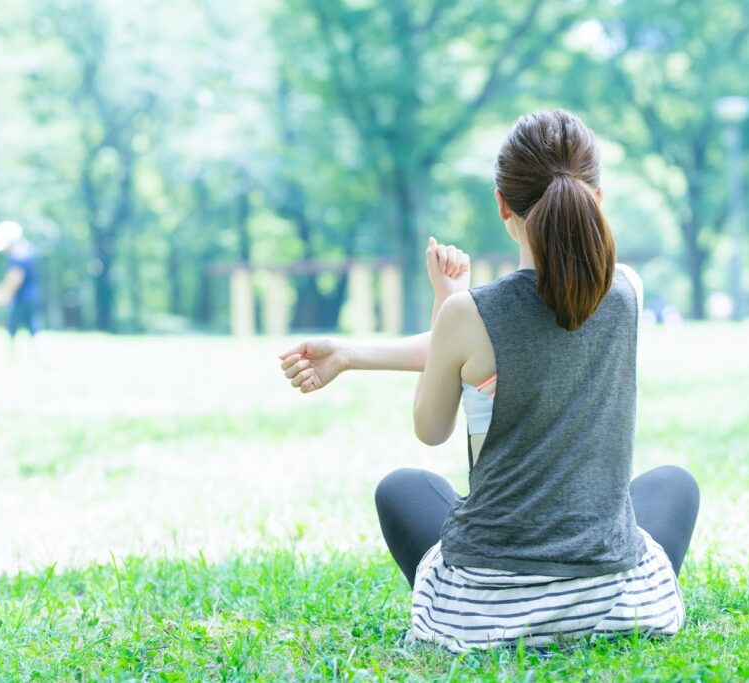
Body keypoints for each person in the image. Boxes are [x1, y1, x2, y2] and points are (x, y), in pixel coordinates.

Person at [279, 110, 699, 652]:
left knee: (404, 488)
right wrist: (352, 354)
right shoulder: (628, 294)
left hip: (484, 613)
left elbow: (433, 423)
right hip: (617, 605)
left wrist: (446, 300)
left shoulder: (467, 314)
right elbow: (500, 346)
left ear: (502, 203)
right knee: (673, 484)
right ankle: (594, 606)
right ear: (598, 197)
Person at [0, 220, 43, 345]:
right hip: (31, 296)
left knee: (16, 329)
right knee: (32, 328)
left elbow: (14, 279)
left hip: (22, 297)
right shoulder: (28, 248)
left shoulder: (18, 254)